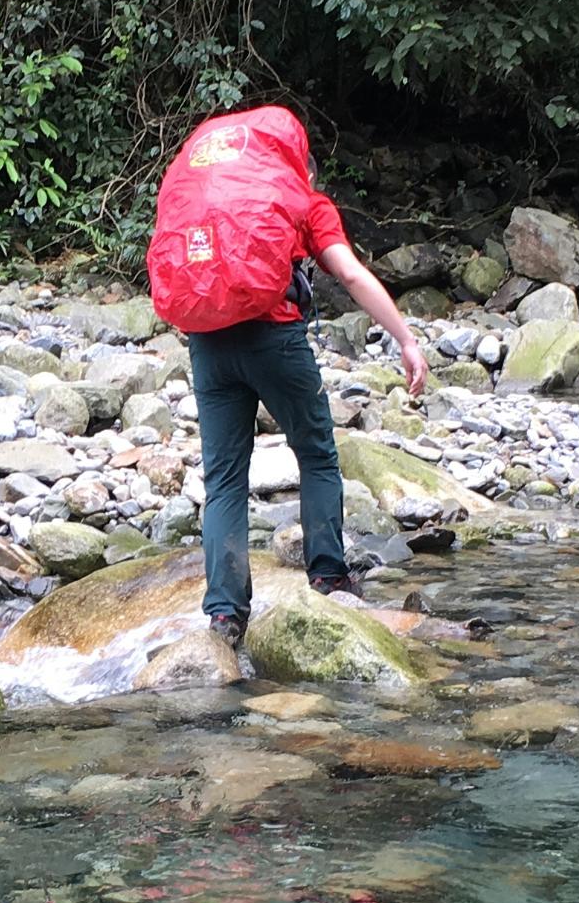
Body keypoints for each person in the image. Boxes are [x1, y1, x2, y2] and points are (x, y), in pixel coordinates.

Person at [144, 103, 430, 640]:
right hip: (274, 340)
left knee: (224, 479)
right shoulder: (305, 200)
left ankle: (225, 613)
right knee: (316, 454)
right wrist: (406, 340)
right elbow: (349, 274)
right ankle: (328, 576)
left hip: (209, 344)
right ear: (304, 170)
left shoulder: (210, 197)